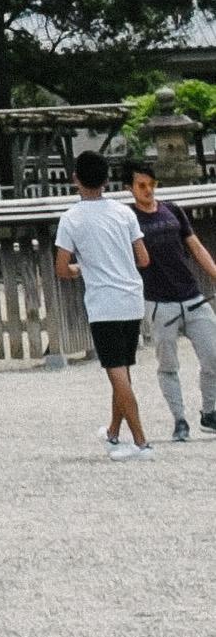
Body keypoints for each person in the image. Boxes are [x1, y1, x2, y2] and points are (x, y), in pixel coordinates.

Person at [52, 147, 154, 453]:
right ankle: (113, 430)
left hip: (103, 302)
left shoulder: (71, 219)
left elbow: (61, 268)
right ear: (107, 179)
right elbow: (143, 258)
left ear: (75, 179)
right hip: (132, 296)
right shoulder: (125, 213)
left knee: (115, 370)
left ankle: (141, 442)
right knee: (122, 368)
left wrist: (81, 268)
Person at [127, 164, 216, 442]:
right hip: (159, 300)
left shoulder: (173, 210)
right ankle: (179, 419)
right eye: (141, 185)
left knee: (212, 355)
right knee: (168, 363)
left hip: (192, 294)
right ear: (129, 189)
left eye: (151, 183)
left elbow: (195, 246)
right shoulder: (129, 219)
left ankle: (210, 411)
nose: (148, 190)